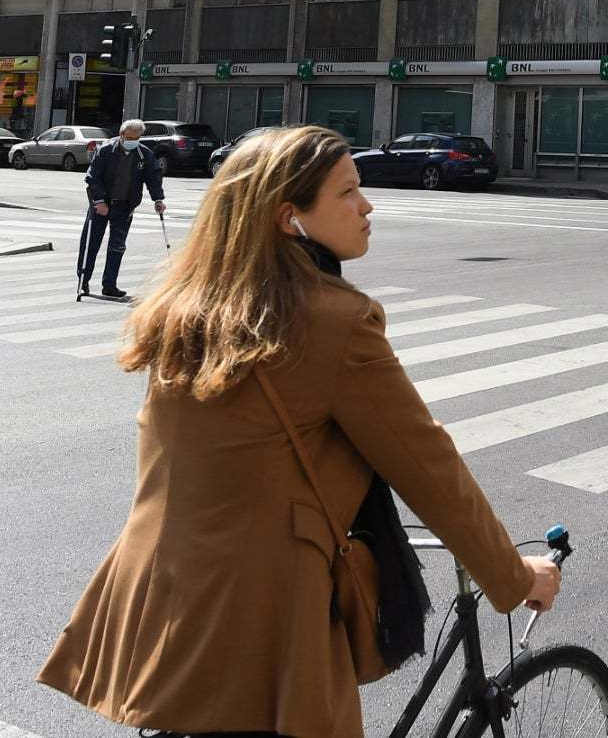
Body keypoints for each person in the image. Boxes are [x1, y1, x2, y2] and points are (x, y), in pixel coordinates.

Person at [39, 125, 559, 738]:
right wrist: (512, 576)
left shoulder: (189, 308)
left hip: (160, 582)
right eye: (347, 193)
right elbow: (427, 465)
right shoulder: (333, 321)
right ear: (291, 218)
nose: (367, 207)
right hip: (267, 608)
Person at [78, 118, 166, 301]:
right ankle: (83, 282)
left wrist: (158, 199)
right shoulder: (105, 151)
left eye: (137, 137)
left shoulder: (144, 155)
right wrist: (100, 201)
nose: (133, 140)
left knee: (117, 247)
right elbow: (92, 178)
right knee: (90, 244)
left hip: (125, 206)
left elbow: (153, 178)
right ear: (121, 134)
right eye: (130, 137)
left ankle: (109, 285)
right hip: (101, 205)